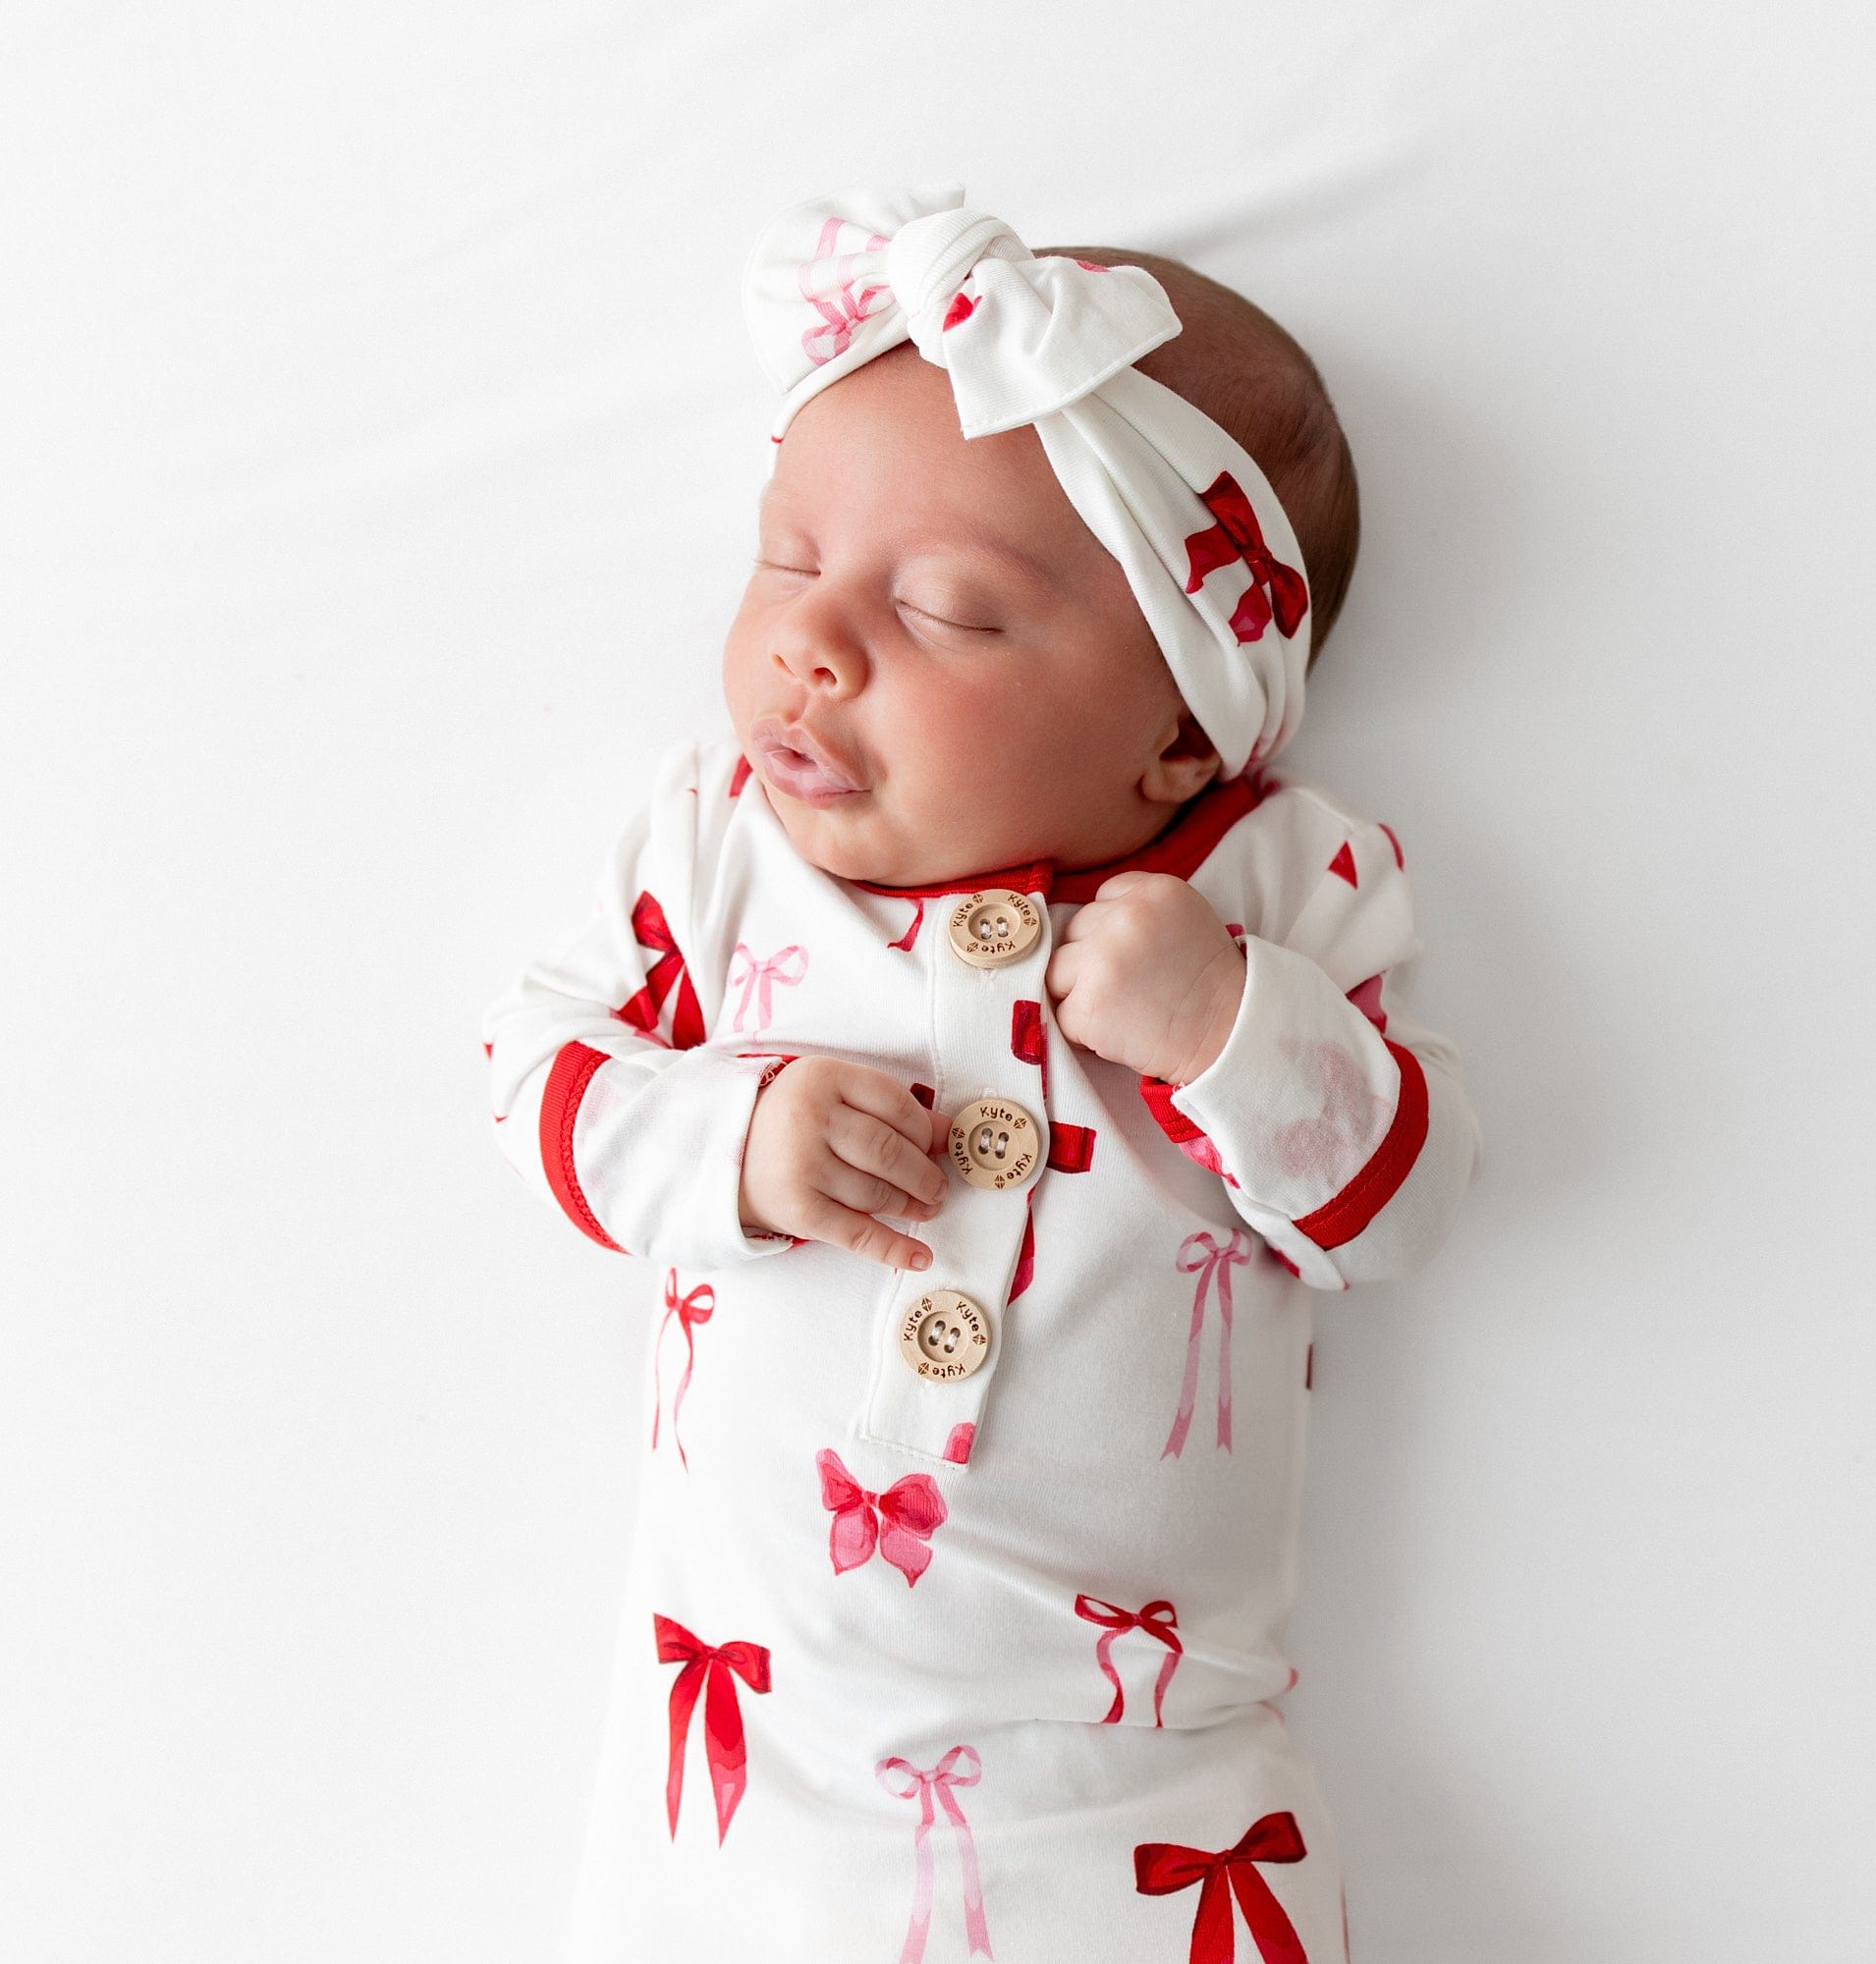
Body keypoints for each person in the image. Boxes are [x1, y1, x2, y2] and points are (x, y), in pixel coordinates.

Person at [480, 180, 1482, 1963]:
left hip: (1144, 1795)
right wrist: (733, 1138)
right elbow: (540, 1071)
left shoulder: (1277, 891)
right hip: (746, 1790)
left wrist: (1227, 1025)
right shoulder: (719, 853)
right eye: (789, 557)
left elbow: (1400, 1202)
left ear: (1182, 730)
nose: (810, 639)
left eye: (943, 609)